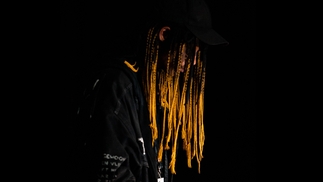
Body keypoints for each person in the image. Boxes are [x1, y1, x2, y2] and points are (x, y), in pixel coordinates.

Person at [71, 0, 228, 181]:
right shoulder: (117, 88)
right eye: (190, 49)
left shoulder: (155, 96)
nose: (193, 61)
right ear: (165, 34)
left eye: (198, 53)